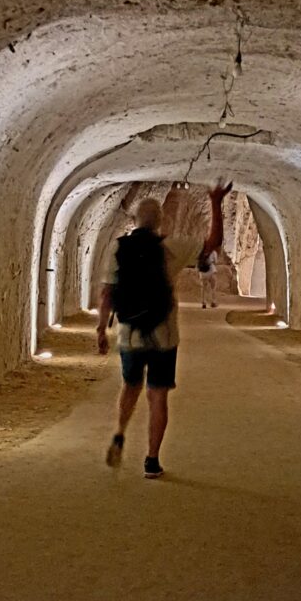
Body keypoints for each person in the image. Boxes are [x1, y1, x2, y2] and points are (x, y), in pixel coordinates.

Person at [97, 181, 232, 478]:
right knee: (157, 396)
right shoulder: (171, 248)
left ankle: (120, 431)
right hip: (163, 334)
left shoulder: (119, 249)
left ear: (134, 221)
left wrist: (100, 329)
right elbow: (213, 244)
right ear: (160, 221)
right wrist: (216, 203)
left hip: (129, 331)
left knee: (130, 386)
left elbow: (107, 292)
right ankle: (151, 460)